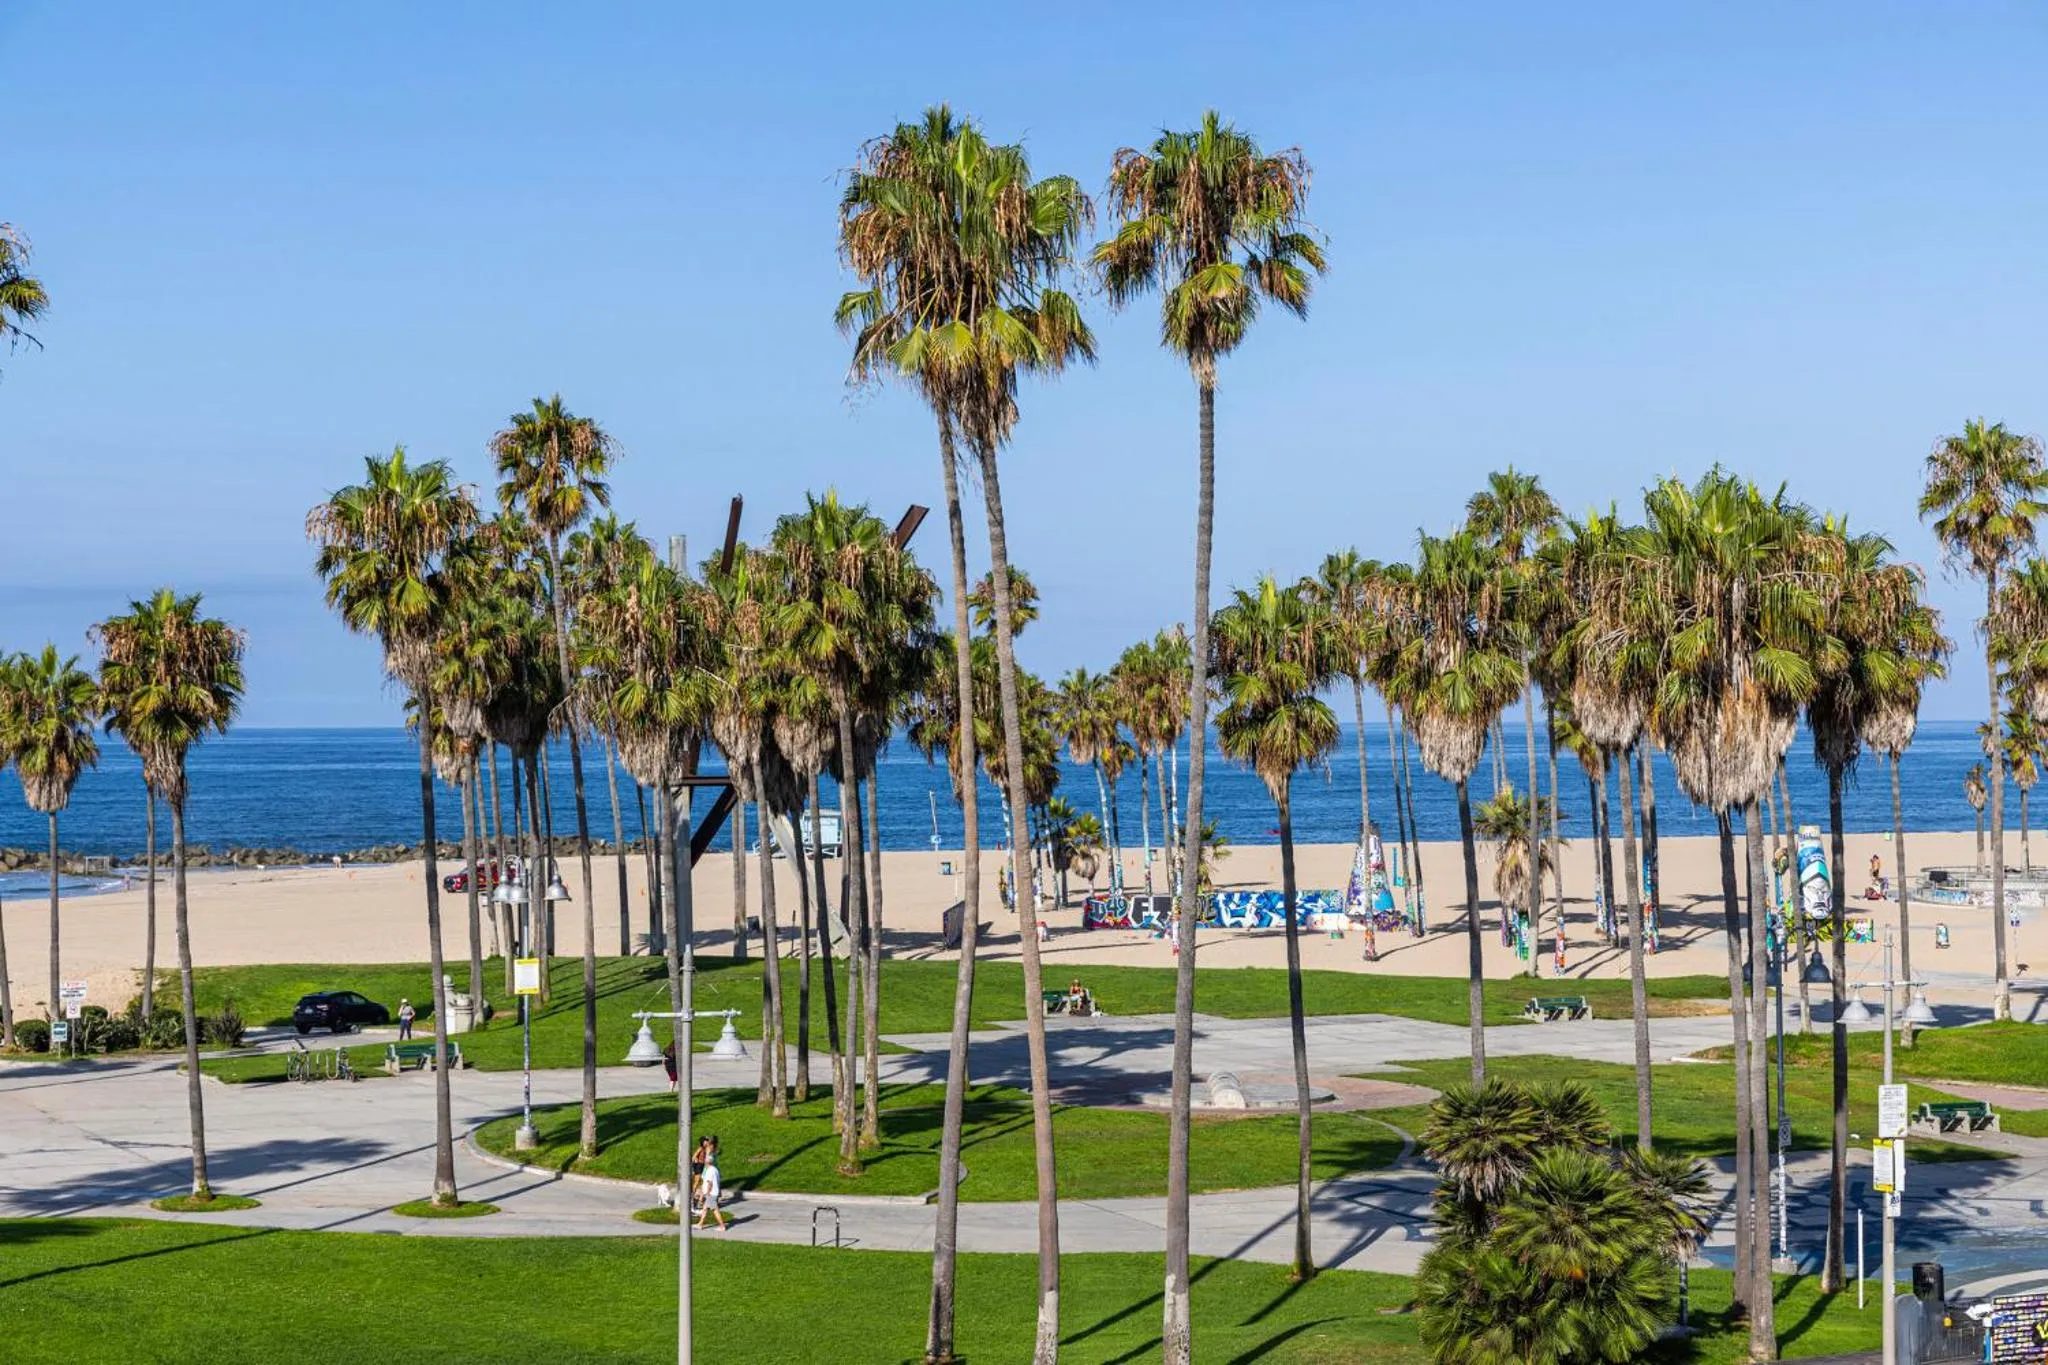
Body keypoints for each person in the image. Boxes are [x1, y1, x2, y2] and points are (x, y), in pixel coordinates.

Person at [694, 1143, 728, 1231]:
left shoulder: (709, 1170)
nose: (704, 1161)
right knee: (705, 1209)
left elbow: (710, 1183)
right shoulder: (715, 1169)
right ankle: (700, 1224)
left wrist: (707, 1193)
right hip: (714, 1193)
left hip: (711, 1194)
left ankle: (722, 1226)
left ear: (707, 1162)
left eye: (705, 1160)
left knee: (715, 1210)